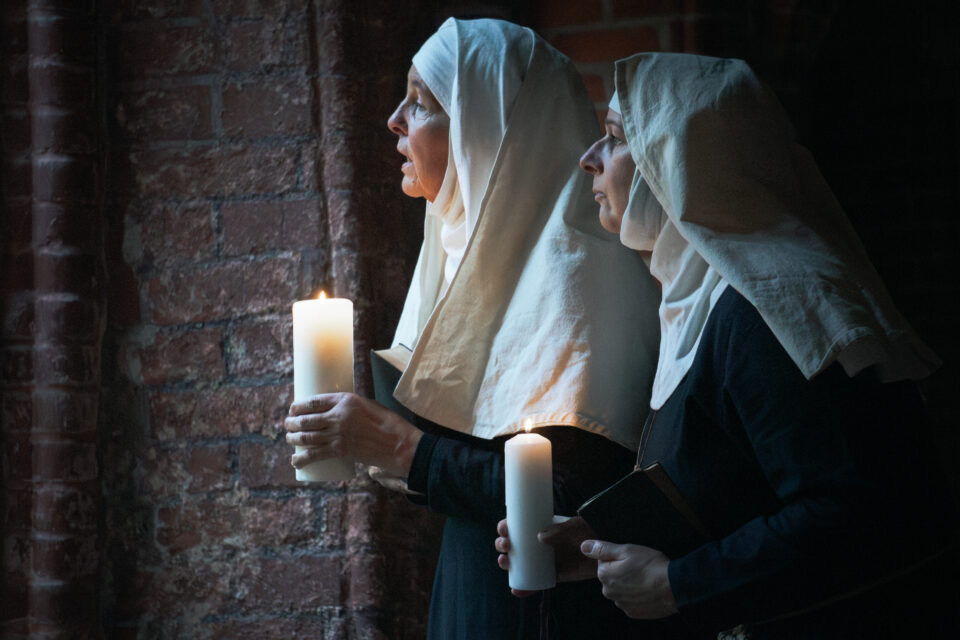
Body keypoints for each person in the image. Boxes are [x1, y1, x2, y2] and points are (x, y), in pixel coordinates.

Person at [496, 52, 959, 638]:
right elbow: (732, 494)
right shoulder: (697, 300)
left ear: (682, 159)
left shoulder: (767, 311)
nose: (589, 159)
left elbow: (854, 513)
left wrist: (681, 584)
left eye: (614, 138)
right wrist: (595, 546)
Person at [284, 19, 662, 639]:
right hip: (470, 587)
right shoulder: (460, 256)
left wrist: (403, 449)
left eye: (422, 102)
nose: (395, 121)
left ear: (488, 130)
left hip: (549, 612)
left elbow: (568, 495)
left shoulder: (576, 281)